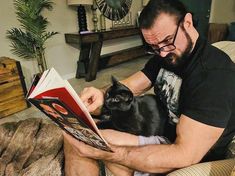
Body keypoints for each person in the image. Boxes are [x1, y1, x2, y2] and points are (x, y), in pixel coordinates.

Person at [63, 0, 235, 175]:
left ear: (187, 23)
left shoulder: (214, 76)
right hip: (164, 135)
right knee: (77, 137)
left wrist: (113, 154)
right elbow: (131, 86)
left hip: (187, 156)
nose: (162, 53)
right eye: (154, 47)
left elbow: (185, 154)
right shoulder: (165, 54)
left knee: (96, 149)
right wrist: (100, 93)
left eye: (168, 40)